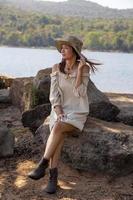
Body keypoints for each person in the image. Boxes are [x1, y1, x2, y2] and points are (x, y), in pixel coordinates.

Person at [28, 36, 100, 194]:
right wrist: (58, 109)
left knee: (58, 128)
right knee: (58, 132)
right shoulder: (56, 68)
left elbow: (80, 93)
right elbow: (53, 94)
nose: (62, 50)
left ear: (74, 51)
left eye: (66, 48)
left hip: (77, 110)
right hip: (60, 109)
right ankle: (52, 179)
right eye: (61, 48)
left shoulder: (84, 68)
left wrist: (80, 71)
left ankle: (43, 164)